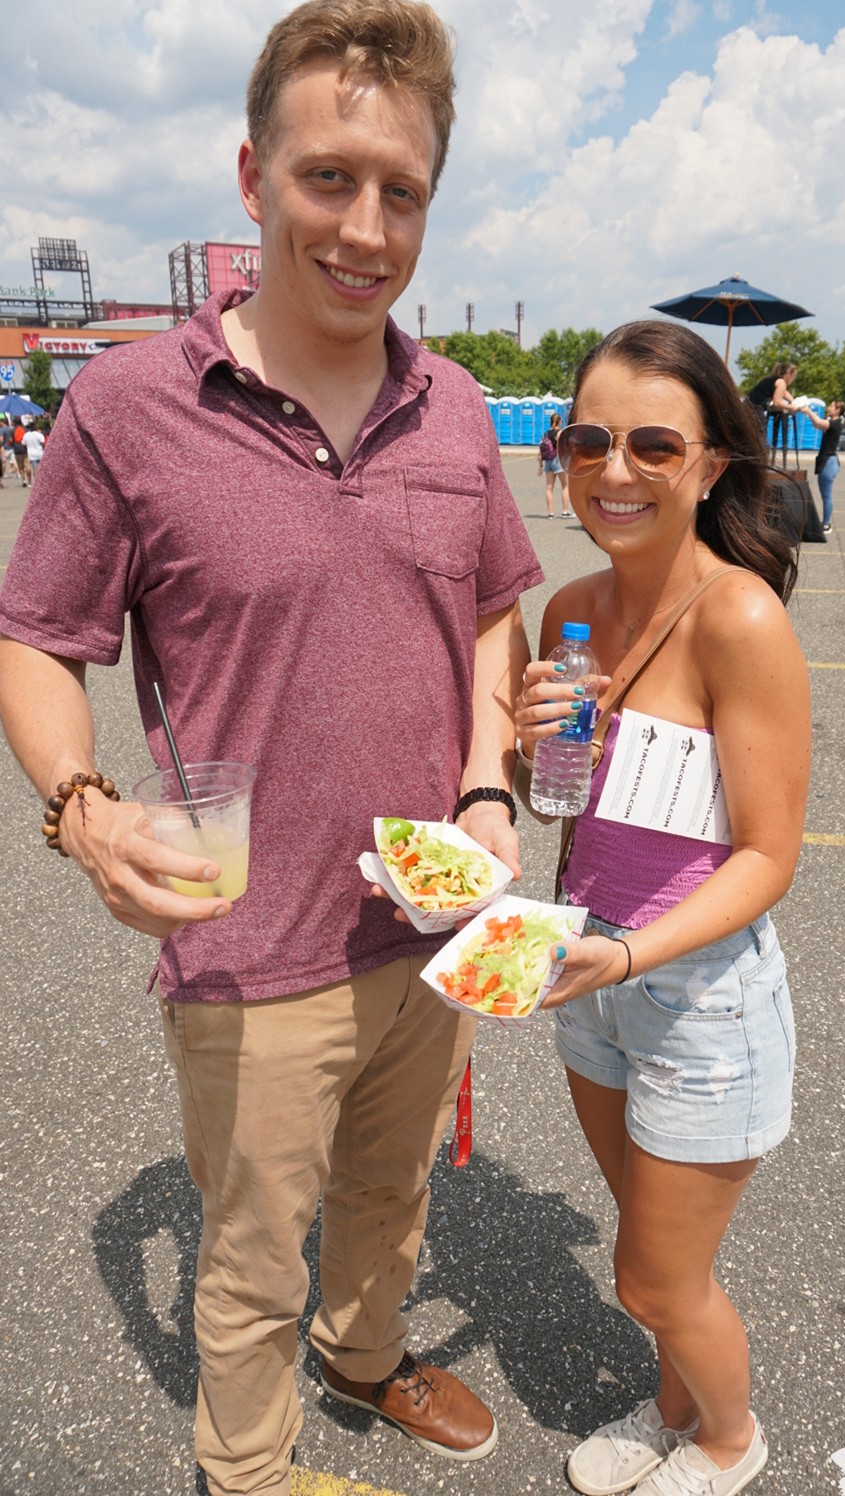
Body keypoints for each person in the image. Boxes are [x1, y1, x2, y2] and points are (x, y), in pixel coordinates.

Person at [0, 3, 543, 1493]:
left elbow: (494, 609)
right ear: (253, 177)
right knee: (249, 1257)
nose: (366, 227)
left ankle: (364, 1356)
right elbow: (36, 636)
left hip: (431, 914)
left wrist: (487, 785)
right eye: (328, 178)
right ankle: (247, 1466)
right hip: (247, 945)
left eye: (402, 191)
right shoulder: (129, 408)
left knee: (393, 1189)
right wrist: (82, 808)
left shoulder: (454, 407)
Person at [514, 321, 810, 1496]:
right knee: (646, 1234)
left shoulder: (740, 616)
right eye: (588, 440)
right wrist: (532, 750)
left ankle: (731, 1439)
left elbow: (768, 855)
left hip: (697, 995)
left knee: (652, 1277)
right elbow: (558, 805)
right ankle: (673, 1402)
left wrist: (631, 952)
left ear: (711, 462)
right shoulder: (570, 612)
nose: (615, 469)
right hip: (589, 972)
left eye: (653, 443)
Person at [802, 398, 845, 532]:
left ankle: (826, 525)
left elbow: (818, 422)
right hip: (828, 461)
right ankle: (826, 522)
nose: (829, 407)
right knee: (825, 495)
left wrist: (809, 411)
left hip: (829, 462)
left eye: (832, 406)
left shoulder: (835, 423)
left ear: (838, 410)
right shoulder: (833, 423)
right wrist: (809, 414)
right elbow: (818, 425)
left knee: (826, 496)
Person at [744, 360, 797, 453]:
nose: (794, 379)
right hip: (755, 407)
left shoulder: (774, 379)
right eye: (794, 376)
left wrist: (795, 402)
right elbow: (777, 402)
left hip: (748, 405)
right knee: (760, 437)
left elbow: (785, 394)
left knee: (755, 435)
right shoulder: (781, 382)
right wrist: (791, 407)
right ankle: (760, 457)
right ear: (789, 373)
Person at [539, 410, 572, 517]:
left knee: (549, 488)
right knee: (565, 486)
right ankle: (565, 511)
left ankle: (550, 513)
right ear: (560, 421)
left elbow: (541, 449)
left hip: (548, 461)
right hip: (558, 461)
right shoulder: (560, 433)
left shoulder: (546, 433)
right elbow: (564, 447)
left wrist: (540, 465)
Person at [22, 419, 46, 484]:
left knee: (35, 468)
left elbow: (23, 444)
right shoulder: (39, 435)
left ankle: (37, 481)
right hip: (40, 453)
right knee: (42, 468)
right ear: (36, 427)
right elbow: (43, 443)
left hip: (31, 454)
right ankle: (41, 481)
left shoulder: (26, 435)